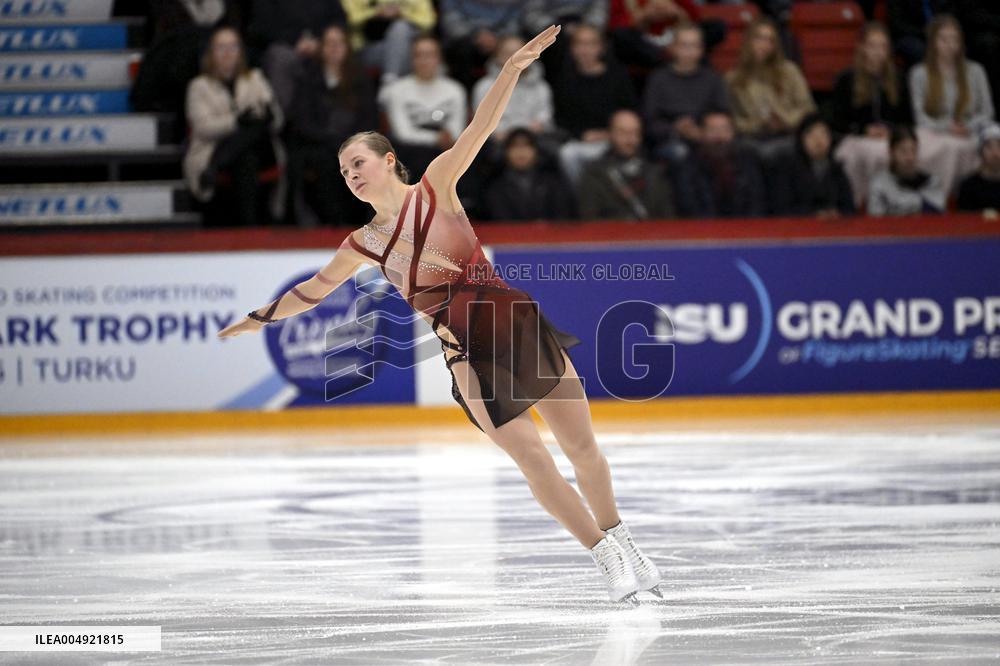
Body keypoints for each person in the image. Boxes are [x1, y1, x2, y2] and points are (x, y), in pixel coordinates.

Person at [217, 26, 663, 605]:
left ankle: (622, 538)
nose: (350, 176)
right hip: (463, 353)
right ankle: (603, 557)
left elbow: (482, 125)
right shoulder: (363, 242)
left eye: (357, 163)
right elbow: (314, 288)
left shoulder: (438, 185)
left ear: (388, 161)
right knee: (531, 457)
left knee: (582, 448)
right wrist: (262, 316)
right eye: (343, 171)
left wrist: (512, 69)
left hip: (514, 325)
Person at [183, 26, 285, 226]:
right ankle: (249, 224)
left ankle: (216, 166)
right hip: (215, 148)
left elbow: (275, 118)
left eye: (233, 46)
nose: (228, 52)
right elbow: (203, 127)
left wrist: (266, 117)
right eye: (221, 47)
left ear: (240, 51)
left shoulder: (254, 78)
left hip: (259, 149)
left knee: (255, 132)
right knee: (246, 154)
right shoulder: (198, 86)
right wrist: (236, 122)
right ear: (211, 52)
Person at [286, 24, 377, 227]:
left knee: (366, 161)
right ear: (321, 47)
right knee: (325, 162)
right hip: (318, 144)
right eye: (329, 43)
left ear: (347, 47)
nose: (335, 48)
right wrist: (330, 139)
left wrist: (349, 143)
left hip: (354, 145)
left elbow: (369, 119)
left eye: (339, 43)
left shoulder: (360, 79)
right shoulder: (308, 77)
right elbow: (301, 120)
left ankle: (366, 222)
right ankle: (333, 222)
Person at [908, 14, 995, 195]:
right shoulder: (919, 73)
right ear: (933, 42)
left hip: (971, 130)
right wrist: (947, 128)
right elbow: (920, 117)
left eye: (954, 39)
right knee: (943, 146)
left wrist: (968, 127)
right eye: (944, 39)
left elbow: (987, 111)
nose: (950, 45)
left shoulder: (976, 70)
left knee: (990, 140)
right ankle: (936, 195)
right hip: (935, 131)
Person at [828, 21, 912, 207]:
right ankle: (854, 204)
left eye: (883, 46)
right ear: (862, 48)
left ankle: (892, 202)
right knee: (853, 156)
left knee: (890, 152)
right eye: (872, 45)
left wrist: (891, 131)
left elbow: (907, 119)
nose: (878, 51)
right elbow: (838, 122)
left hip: (891, 138)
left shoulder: (899, 78)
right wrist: (864, 131)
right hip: (857, 138)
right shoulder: (846, 79)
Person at [724, 17, 816, 169]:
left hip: (788, 134)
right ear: (748, 41)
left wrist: (785, 120)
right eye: (759, 38)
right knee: (749, 152)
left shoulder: (789, 71)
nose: (764, 45)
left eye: (770, 40)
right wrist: (757, 124)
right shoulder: (733, 79)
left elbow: (808, 108)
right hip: (751, 138)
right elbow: (731, 120)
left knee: (784, 151)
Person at [552, 24, 638, 185]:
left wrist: (611, 133)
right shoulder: (565, 79)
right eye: (580, 44)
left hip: (614, 138)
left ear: (601, 47)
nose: (585, 50)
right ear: (572, 48)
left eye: (591, 44)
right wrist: (581, 135)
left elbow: (630, 111)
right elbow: (560, 118)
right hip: (580, 140)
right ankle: (582, 201)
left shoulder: (618, 76)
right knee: (567, 154)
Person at [378, 35, 468, 180]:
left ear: (439, 59)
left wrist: (444, 139)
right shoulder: (396, 90)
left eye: (430, 55)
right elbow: (403, 133)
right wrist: (435, 138)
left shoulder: (455, 90)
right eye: (419, 55)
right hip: (410, 152)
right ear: (411, 59)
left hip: (446, 150)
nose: (425, 61)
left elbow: (456, 132)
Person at [641, 21, 729, 165]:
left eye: (694, 46)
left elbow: (722, 113)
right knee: (682, 153)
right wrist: (676, 129)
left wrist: (705, 132)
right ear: (673, 48)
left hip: (708, 137)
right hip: (669, 140)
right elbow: (649, 122)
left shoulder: (713, 79)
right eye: (684, 46)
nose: (689, 51)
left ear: (702, 50)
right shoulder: (658, 79)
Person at [577, 110, 677, 220]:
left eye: (635, 133)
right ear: (610, 134)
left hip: (651, 235)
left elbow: (668, 218)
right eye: (623, 133)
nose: (630, 139)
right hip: (610, 235)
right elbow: (589, 219)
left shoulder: (655, 174)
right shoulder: (594, 174)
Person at [674, 110, 767, 218]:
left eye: (725, 130)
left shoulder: (747, 163)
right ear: (700, 133)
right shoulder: (686, 167)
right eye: (713, 130)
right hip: (703, 230)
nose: (720, 137)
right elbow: (689, 209)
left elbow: (757, 204)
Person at [482, 128, 576, 221]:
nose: (521, 152)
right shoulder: (495, 187)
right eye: (514, 146)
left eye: (526, 146)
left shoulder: (553, 183)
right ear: (506, 152)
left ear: (536, 151)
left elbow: (563, 216)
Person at [773, 114, 855, 218]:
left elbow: (849, 208)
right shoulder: (787, 168)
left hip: (833, 229)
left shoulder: (836, 169)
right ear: (801, 139)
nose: (818, 141)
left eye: (823, 134)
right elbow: (782, 209)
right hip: (799, 228)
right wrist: (814, 215)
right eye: (811, 135)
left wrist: (837, 214)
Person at [341, 0, 436, 86]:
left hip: (407, 50)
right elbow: (346, 18)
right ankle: (393, 85)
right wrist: (376, 12)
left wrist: (401, 13)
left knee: (400, 28)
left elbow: (429, 21)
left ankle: (390, 81)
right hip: (369, 48)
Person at [867, 125, 946, 216]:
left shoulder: (931, 182)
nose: (910, 157)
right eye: (903, 151)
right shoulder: (879, 184)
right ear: (891, 152)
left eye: (913, 150)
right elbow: (875, 221)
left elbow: (939, 217)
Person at [956, 122, 1000, 213]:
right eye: (989, 146)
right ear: (981, 152)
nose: (995, 153)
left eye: (999, 146)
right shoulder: (968, 186)